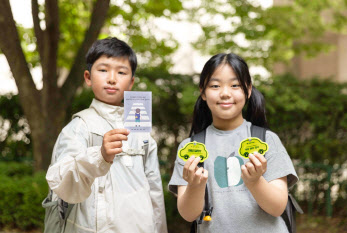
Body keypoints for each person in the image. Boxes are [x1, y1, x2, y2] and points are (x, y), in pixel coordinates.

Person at [45, 37, 167, 233]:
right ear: (88, 77)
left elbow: (154, 191)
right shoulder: (80, 127)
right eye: (103, 70)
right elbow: (62, 184)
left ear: (131, 82)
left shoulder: (142, 132)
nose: (112, 78)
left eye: (121, 72)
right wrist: (99, 156)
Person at [168, 53, 298, 232]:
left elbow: (277, 207)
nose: (225, 93)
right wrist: (196, 186)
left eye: (235, 85)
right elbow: (188, 215)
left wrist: (254, 181)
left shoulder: (267, 140)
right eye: (215, 85)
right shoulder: (190, 148)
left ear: (248, 90)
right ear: (203, 93)